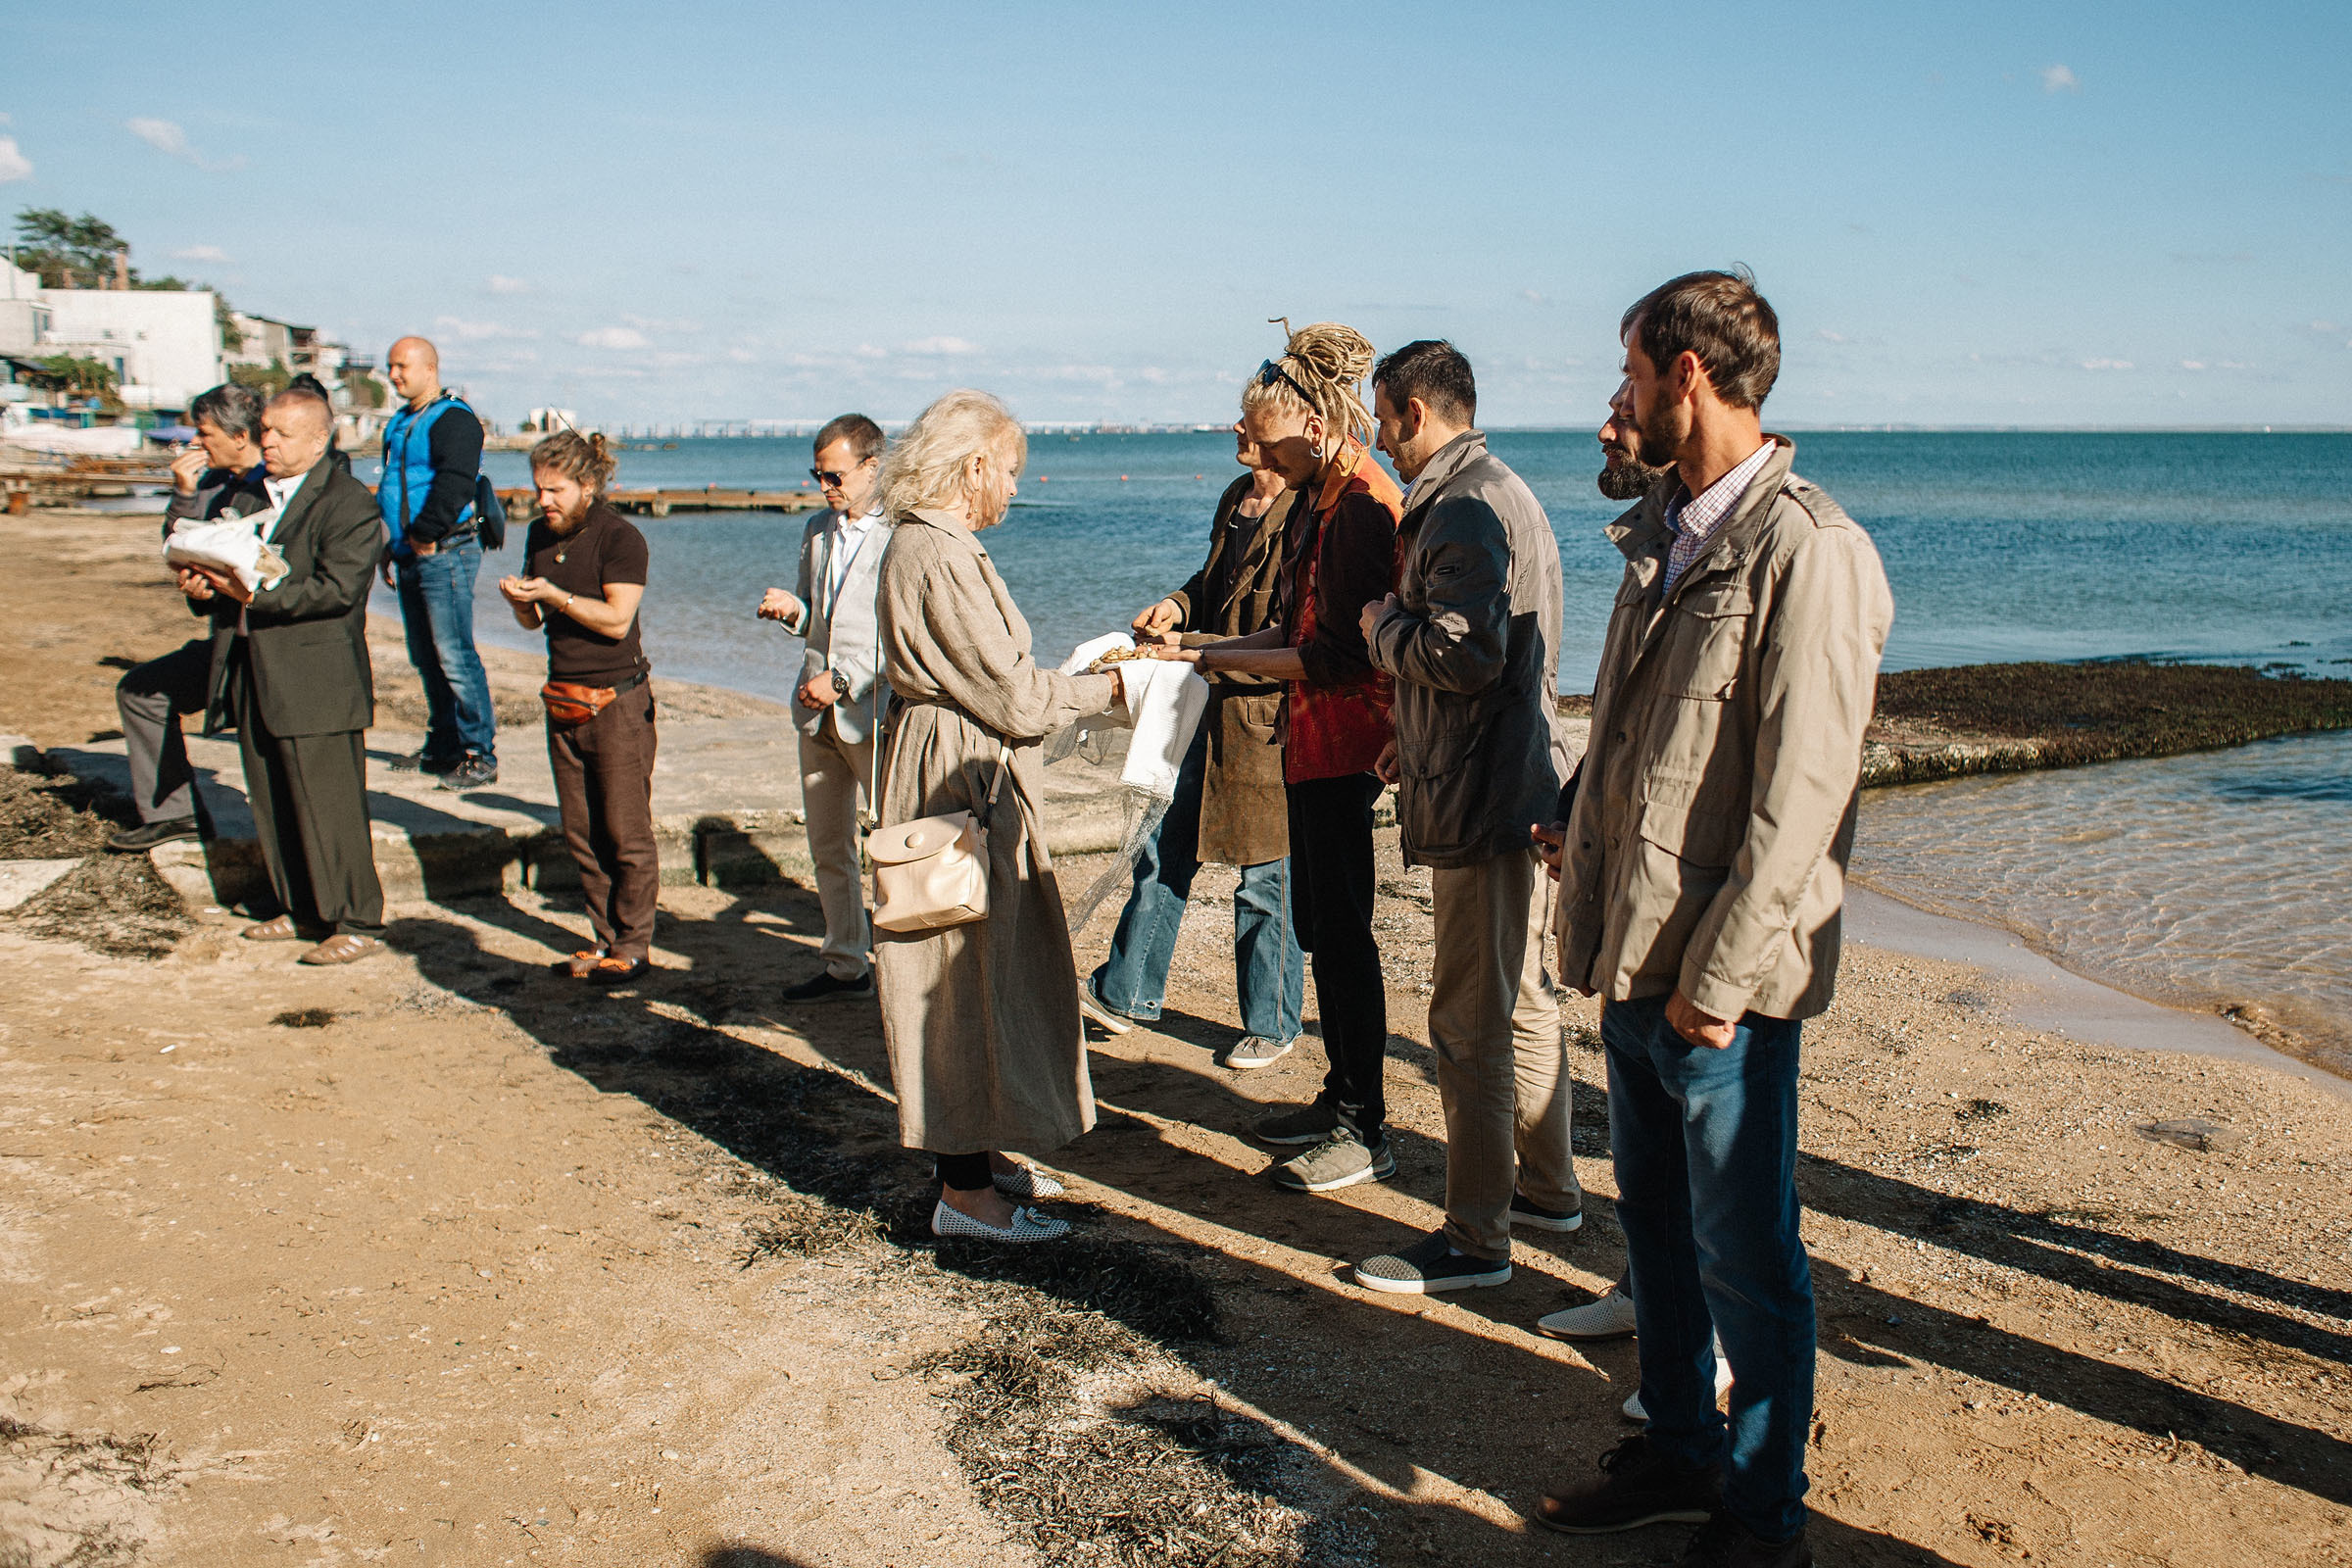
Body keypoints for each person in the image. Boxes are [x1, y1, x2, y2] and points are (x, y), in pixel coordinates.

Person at [1535, 271, 1894, 1568]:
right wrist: (1576, 815)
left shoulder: (1811, 548)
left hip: (1717, 988)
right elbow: (1639, 725)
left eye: (1629, 373)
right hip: (1634, 955)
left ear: (1688, 372)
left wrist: (1721, 985)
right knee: (1658, 1234)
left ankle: (1762, 1518)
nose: (1614, 404)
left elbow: (1806, 799)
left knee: (1750, 1258)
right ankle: (1680, 1450)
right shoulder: (1669, 531)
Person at [1144, 321, 1402, 1195]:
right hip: (1308, 740)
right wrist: (1202, 650)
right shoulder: (1322, 496)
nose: (1257, 450)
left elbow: (1337, 657)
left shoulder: (1362, 503)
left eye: (1268, 434)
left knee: (1344, 937)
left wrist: (1215, 654)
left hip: (1345, 745)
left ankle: (1366, 1126)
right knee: (1324, 933)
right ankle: (1340, 1097)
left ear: (1317, 422)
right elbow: (1290, 631)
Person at [1346, 340, 1578, 1296]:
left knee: (1468, 1021)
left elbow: (1467, 652)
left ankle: (1477, 1239)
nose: (1376, 437)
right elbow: (1498, 665)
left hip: (1487, 792)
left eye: (1380, 417)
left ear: (1411, 411)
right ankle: (1549, 1190)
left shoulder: (1465, 504)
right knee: (1522, 1001)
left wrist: (1376, 630)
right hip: (1511, 775)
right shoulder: (1488, 489)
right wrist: (1412, 727)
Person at [871, 388, 1128, 1244]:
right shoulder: (937, 551)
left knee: (975, 965)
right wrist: (1113, 689)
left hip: (950, 764)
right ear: (974, 463)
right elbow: (1015, 698)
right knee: (954, 965)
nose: (1014, 489)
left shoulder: (928, 544)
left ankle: (975, 1159)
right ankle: (964, 1190)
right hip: (955, 778)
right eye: (1010, 471)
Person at [1080, 424, 1304, 1068]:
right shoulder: (1238, 494)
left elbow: (1285, 631)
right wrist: (1176, 606)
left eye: (1250, 418)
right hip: (1202, 708)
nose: (1237, 427)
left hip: (1264, 719)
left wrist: (1186, 645)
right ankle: (1125, 993)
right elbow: (1214, 585)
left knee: (1266, 877)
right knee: (1163, 848)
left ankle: (1273, 1022)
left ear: (1285, 428)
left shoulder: (1303, 510)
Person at [176, 385, 388, 964]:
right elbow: (229, 565)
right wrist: (204, 587)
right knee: (270, 795)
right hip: (252, 667)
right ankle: (298, 907)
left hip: (316, 675)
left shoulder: (349, 504)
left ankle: (356, 919)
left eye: (280, 433)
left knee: (330, 803)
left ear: (319, 441)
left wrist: (251, 591)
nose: (265, 440)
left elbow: (337, 591)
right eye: (265, 430)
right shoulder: (250, 496)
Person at [496, 431, 658, 986]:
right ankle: (605, 938)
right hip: (562, 695)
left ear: (587, 485)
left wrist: (553, 596)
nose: (543, 500)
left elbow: (616, 621)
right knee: (581, 830)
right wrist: (521, 603)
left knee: (625, 829)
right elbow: (534, 623)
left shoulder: (621, 538)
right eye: (539, 488)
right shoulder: (541, 536)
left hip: (617, 700)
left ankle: (633, 946)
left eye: (555, 489)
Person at [757, 414, 892, 1004]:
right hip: (815, 711)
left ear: (872, 465)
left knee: (893, 843)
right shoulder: (816, 529)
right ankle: (845, 967)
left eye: (834, 476)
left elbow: (906, 635)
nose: (824, 487)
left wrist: (844, 679)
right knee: (829, 845)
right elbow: (821, 623)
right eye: (817, 475)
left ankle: (901, 967)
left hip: (873, 712)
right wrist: (793, 614)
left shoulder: (903, 535)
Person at [107, 382, 270, 853]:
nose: (196, 444)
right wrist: (182, 491)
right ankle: (175, 815)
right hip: (223, 639)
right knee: (141, 692)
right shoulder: (212, 484)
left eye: (204, 434)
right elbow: (176, 542)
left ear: (240, 436)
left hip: (266, 642)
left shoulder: (274, 484)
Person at [380, 334, 498, 790]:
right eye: (390, 366)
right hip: (410, 553)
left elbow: (455, 483)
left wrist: (426, 534)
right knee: (425, 655)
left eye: (401, 367)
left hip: (445, 551)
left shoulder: (453, 419)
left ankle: (478, 753)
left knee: (454, 653)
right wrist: (390, 547)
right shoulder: (401, 420)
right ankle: (443, 743)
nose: (393, 375)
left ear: (429, 368)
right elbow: (393, 483)